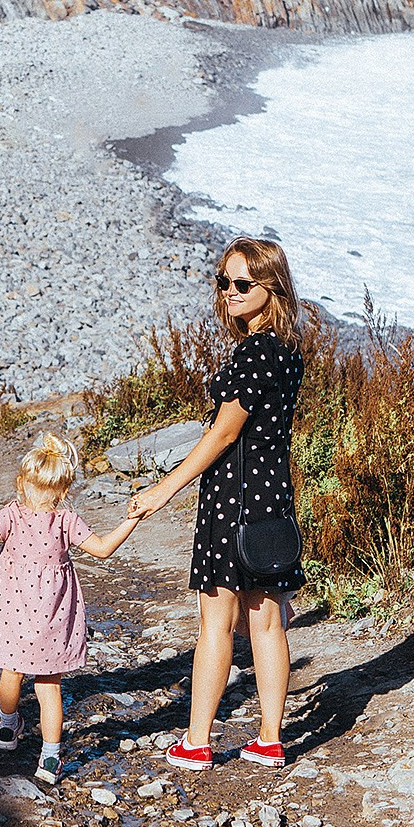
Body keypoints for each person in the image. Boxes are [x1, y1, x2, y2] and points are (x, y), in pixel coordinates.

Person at [127, 236, 306, 771]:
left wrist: (164, 488)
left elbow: (224, 433)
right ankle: (270, 740)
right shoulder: (289, 351)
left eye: (243, 284)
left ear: (271, 289)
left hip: (234, 499)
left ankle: (197, 740)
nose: (229, 292)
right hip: (273, 497)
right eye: (223, 281)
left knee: (216, 623)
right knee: (268, 622)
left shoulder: (253, 352)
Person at [0, 433, 144, 785]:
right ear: (63, 492)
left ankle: (7, 724)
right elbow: (104, 549)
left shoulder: (12, 515)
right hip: (53, 617)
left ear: (21, 483)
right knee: (49, 687)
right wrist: (131, 519)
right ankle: (49, 758)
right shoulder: (67, 520)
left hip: (14, 613)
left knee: (11, 672)